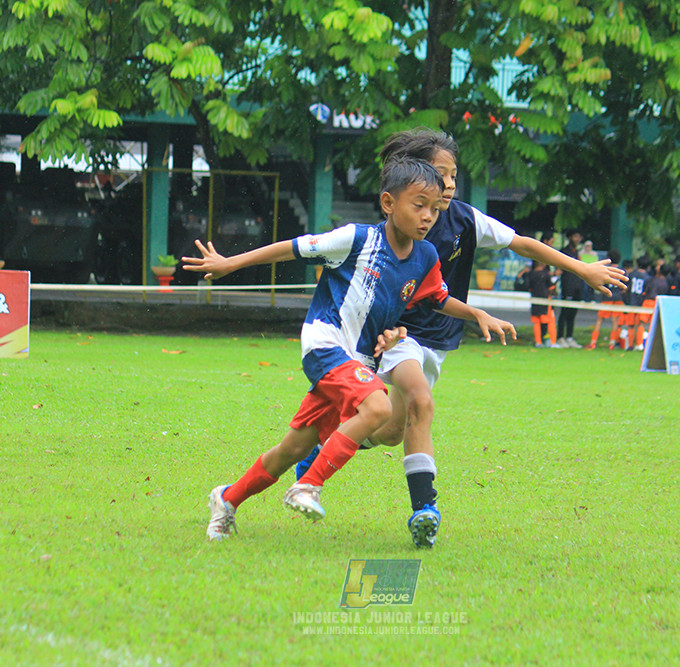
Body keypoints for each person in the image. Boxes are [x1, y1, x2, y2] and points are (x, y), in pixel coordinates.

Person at [298, 128, 627, 548]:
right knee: (421, 400)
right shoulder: (395, 225)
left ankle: (327, 443)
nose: (449, 184)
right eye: (441, 173)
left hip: (439, 338)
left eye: (454, 175)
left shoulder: (465, 219)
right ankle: (425, 509)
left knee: (393, 430)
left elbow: (523, 244)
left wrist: (582, 268)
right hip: (399, 334)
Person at [183, 158, 517, 540]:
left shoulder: (425, 257)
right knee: (379, 406)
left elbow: (437, 298)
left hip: (358, 362)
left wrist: (476, 313)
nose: (428, 216)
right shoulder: (356, 239)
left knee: (291, 449)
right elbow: (292, 248)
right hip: (324, 343)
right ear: (388, 203)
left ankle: (227, 499)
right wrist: (230, 264)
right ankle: (308, 485)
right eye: (419, 205)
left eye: (434, 209)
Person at [557, 229, 588, 348]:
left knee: (573, 313)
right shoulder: (564, 252)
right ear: (570, 237)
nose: (578, 239)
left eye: (579, 237)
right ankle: (560, 337)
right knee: (565, 312)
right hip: (567, 286)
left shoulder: (577, 252)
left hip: (577, 286)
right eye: (575, 236)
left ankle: (569, 337)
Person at [587, 250, 623, 350]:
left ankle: (593, 342)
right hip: (618, 298)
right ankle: (612, 343)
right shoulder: (622, 271)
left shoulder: (606, 270)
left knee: (599, 320)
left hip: (607, 296)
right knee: (615, 321)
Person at [527, 260, 557, 348]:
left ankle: (538, 342)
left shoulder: (531, 275)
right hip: (545, 300)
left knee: (536, 322)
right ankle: (552, 342)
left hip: (535, 300)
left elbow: (529, 287)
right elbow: (551, 288)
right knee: (550, 321)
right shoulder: (546, 275)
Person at [628, 256, 655, 350]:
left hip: (631, 301)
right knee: (640, 324)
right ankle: (639, 344)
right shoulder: (648, 278)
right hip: (642, 302)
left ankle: (630, 345)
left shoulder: (631, 274)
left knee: (631, 324)